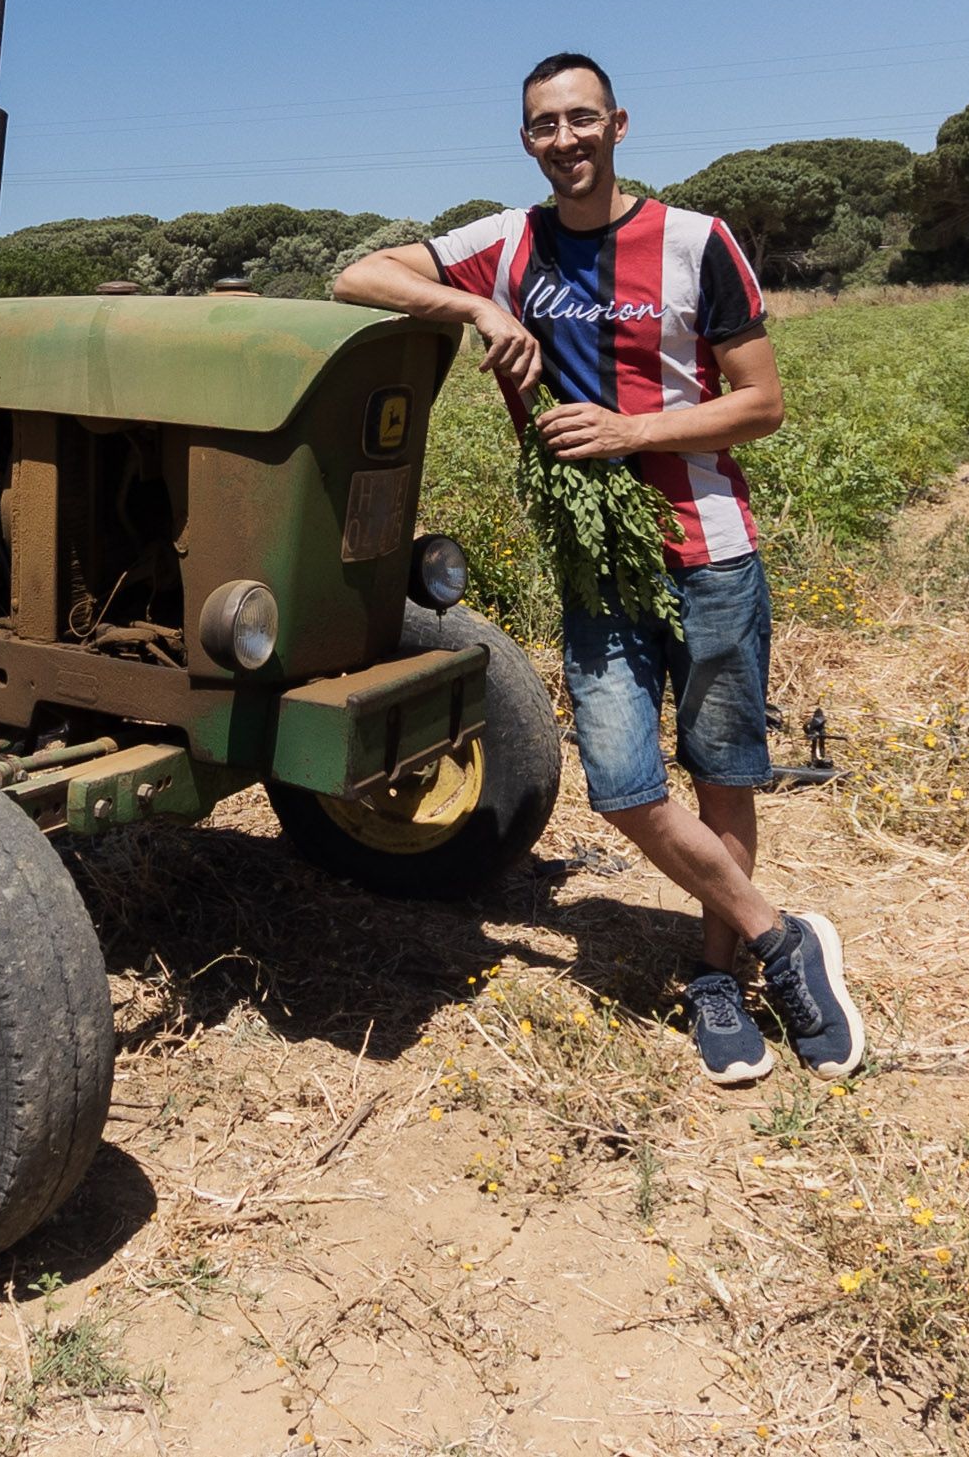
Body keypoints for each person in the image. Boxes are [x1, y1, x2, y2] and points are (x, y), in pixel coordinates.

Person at [334, 52, 866, 1085]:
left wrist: (633, 432)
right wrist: (480, 311)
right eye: (544, 124)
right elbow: (357, 275)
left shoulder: (696, 241)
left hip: (709, 550)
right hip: (594, 566)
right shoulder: (506, 243)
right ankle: (780, 935)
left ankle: (718, 975)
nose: (564, 138)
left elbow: (761, 403)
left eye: (581, 118)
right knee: (622, 787)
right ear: (525, 140)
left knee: (722, 776)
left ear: (618, 124)